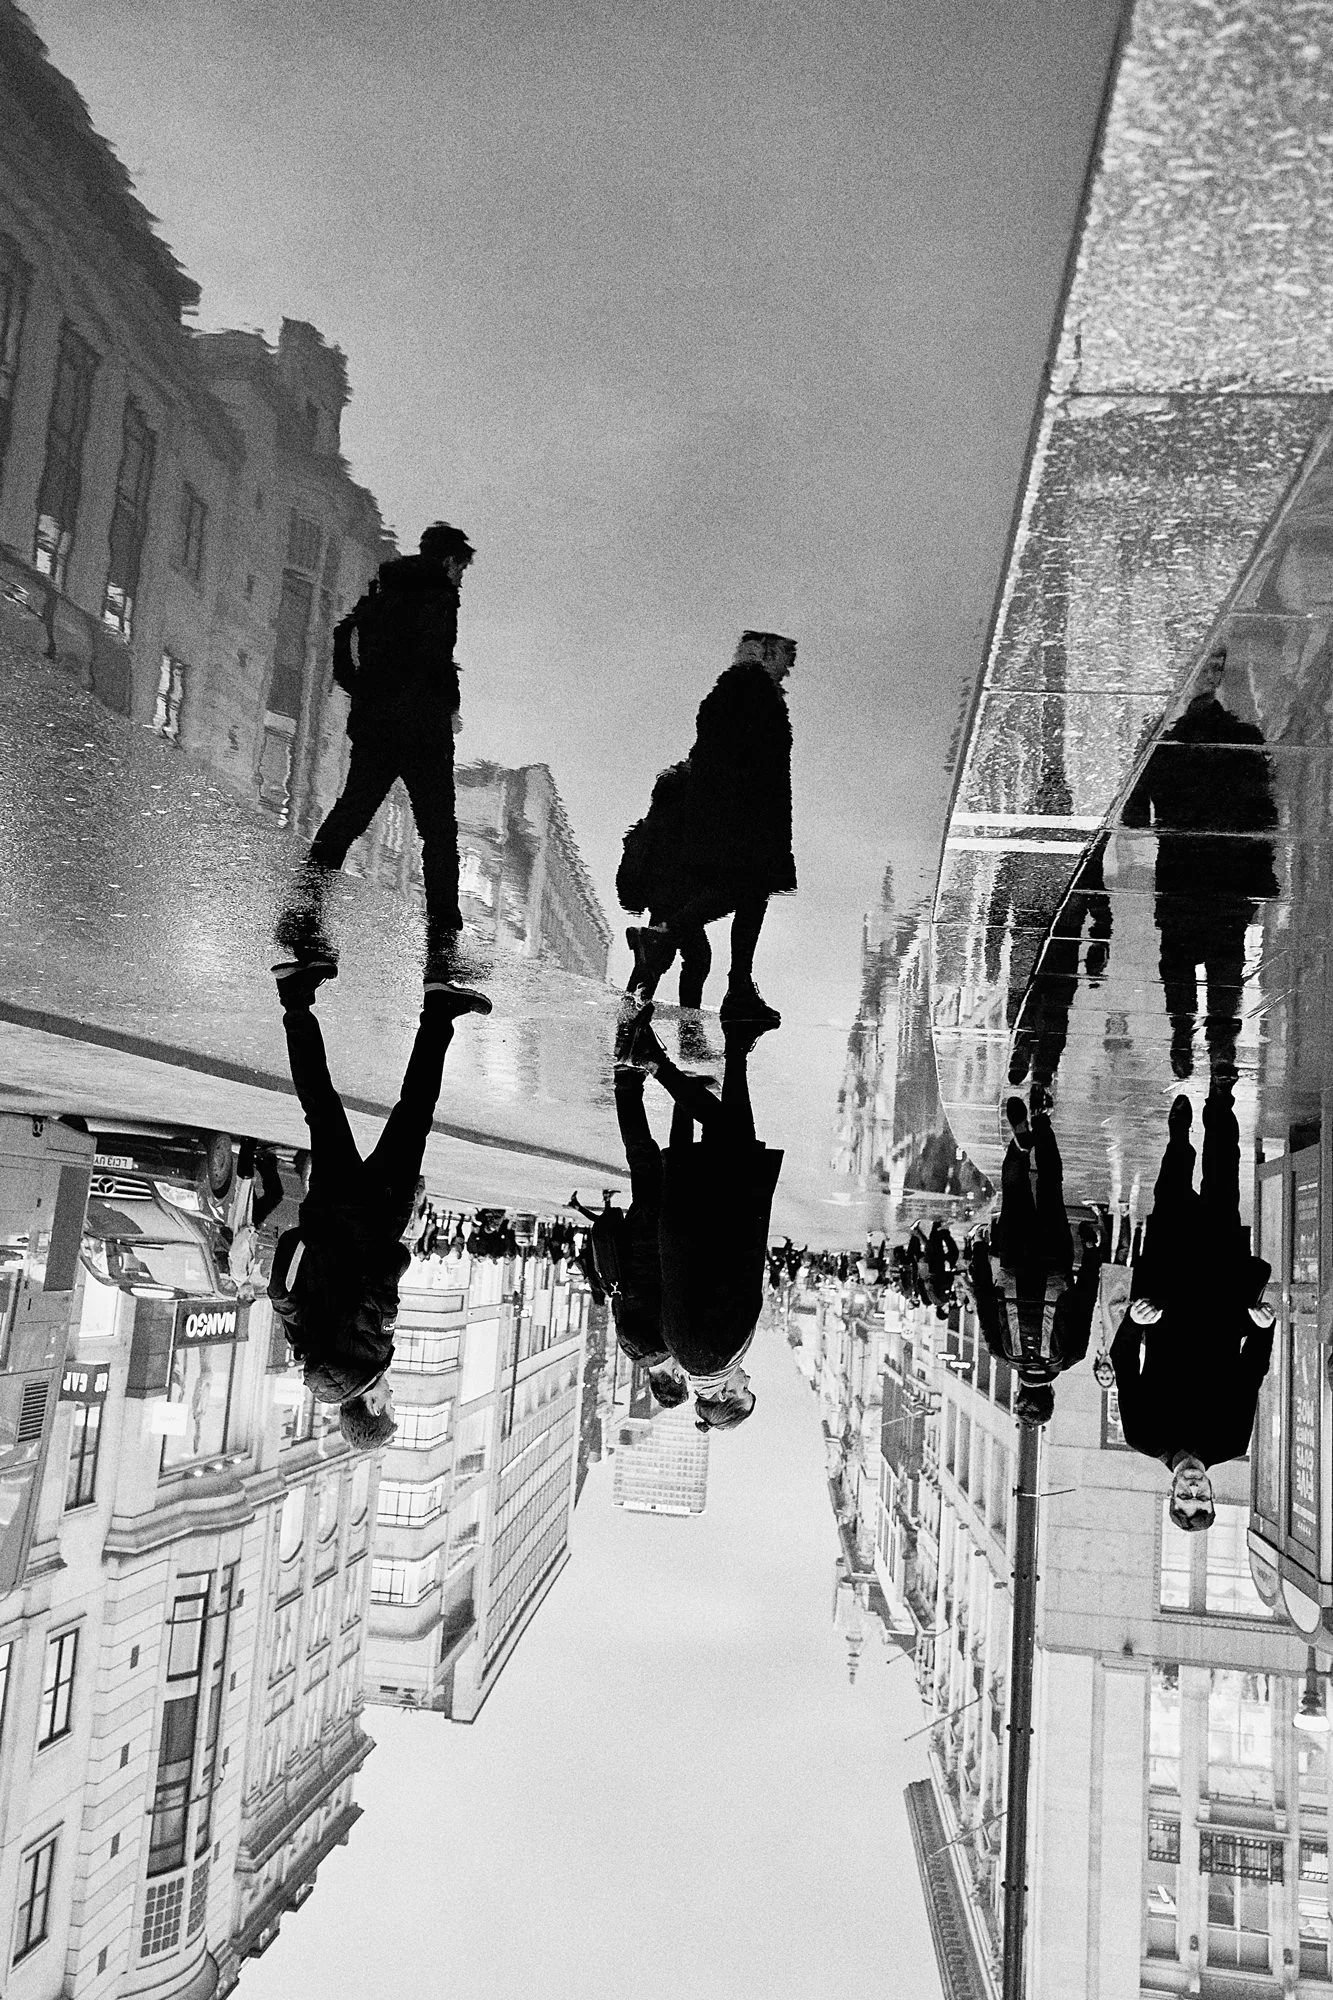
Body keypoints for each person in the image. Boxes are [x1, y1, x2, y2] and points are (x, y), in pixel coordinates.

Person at [266, 953, 490, 1449]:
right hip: (327, 1208)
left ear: (371, 1406)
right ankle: (295, 997)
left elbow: (379, 1284)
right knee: (320, 1106)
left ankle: (439, 1010)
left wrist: (402, 1256)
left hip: (374, 1211)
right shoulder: (311, 1360)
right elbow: (283, 1296)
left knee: (415, 1112)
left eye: (389, 1404)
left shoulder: (367, 1358)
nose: (393, 1395)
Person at [275, 521, 475, 982]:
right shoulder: (439, 595)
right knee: (439, 837)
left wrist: (364, 691)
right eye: (461, 569)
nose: (461, 578)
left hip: (376, 726)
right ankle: (443, 953)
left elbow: (343, 637)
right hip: (421, 731)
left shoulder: (383, 592)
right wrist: (447, 702)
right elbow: (432, 660)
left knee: (349, 816)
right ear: (449, 560)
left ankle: (301, 914)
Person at [1110, 1091, 1274, 1527]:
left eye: (1185, 1496)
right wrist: (1263, 1328)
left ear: (1172, 1493)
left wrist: (1134, 1323)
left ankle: (1179, 1135)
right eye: (1201, 1497)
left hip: (1168, 1290)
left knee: (1172, 1192)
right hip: (1222, 1293)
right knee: (1223, 1183)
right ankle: (1220, 1101)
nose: (1193, 1487)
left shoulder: (1143, 1436)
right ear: (1213, 1495)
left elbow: (1124, 1363)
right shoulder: (1232, 1441)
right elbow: (1250, 1375)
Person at [1120, 644, 1278, 1084]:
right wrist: (1264, 871)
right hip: (1231, 869)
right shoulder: (1246, 739)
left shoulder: (1163, 743)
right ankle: (1222, 1045)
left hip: (1182, 866)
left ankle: (1181, 1032)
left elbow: (1133, 814)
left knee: (1179, 955)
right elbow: (1264, 813)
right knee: (1225, 957)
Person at [627, 631, 797, 1028]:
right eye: (785, 656)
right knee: (744, 889)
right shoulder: (753, 692)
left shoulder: (730, 693)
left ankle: (736, 986)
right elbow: (753, 765)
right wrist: (754, 818)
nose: (788, 667)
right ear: (766, 653)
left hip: (730, 818)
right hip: (741, 819)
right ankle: (666, 941)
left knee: (752, 894)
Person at [624, 1010, 783, 1431]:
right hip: (696, 1219)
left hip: (715, 1216)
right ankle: (734, 1042)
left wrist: (739, 1211)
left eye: (745, 1391)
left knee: (731, 1128)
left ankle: (658, 1058)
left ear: (727, 1396)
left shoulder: (715, 1355)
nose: (748, 1381)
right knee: (732, 1126)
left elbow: (730, 1277)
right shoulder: (692, 1358)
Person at [569, 1007, 689, 1409]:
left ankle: (627, 1077)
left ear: (674, 1378)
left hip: (650, 1237)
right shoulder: (632, 1348)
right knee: (644, 1157)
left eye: (684, 1377)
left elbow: (665, 1289)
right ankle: (631, 1078)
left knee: (647, 1156)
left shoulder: (660, 1344)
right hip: (637, 1235)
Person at [962, 1095, 1103, 1422]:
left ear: (1050, 1394)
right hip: (1013, 1259)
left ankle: (1041, 1120)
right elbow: (984, 1298)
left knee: (1051, 1186)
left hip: (1055, 1261)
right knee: (1014, 1191)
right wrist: (979, 1250)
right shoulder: (1001, 1354)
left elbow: (1085, 1300)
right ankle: (1020, 1146)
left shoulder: (1070, 1356)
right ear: (1019, 1392)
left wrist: (1092, 1253)